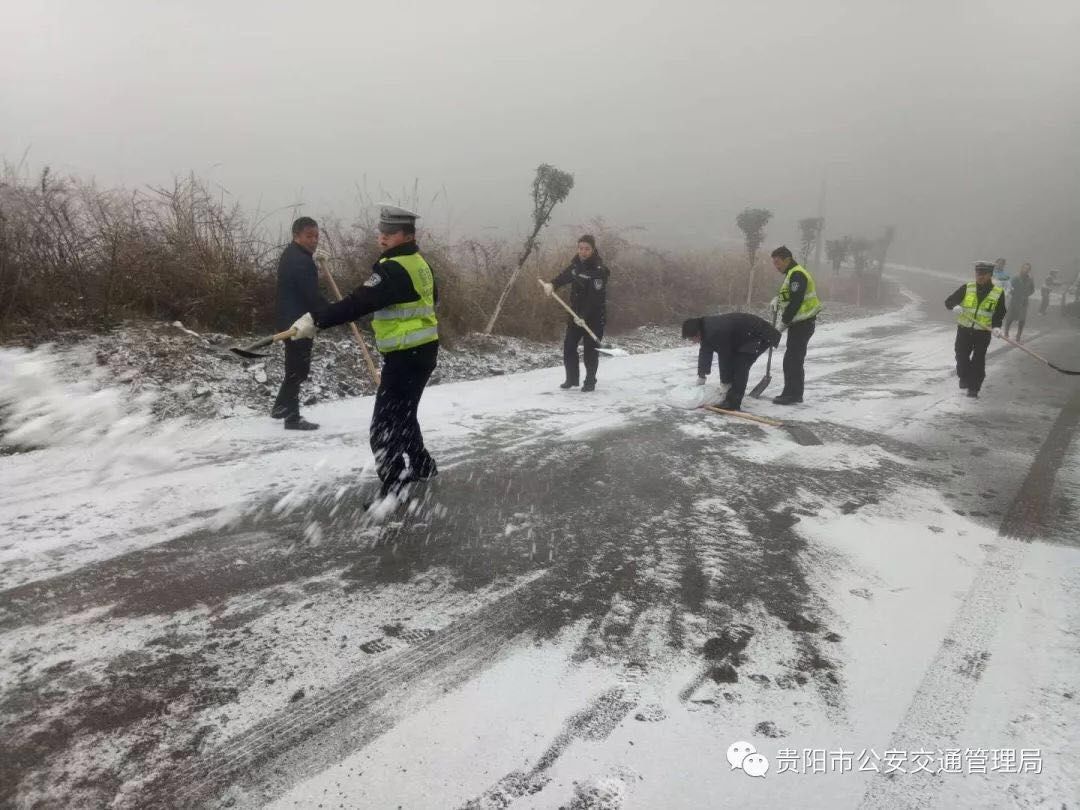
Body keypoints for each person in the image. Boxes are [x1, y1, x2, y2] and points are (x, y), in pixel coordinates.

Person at [290, 205, 439, 501]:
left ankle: (393, 488)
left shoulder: (393, 269)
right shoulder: (419, 262)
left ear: (407, 235)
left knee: (383, 426)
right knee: (404, 415)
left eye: (390, 233)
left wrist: (315, 321)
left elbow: (358, 302)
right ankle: (423, 465)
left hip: (405, 354)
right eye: (381, 232)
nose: (383, 238)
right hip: (423, 350)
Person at [272, 216, 329, 431]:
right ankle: (292, 418)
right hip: (297, 322)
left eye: (316, 236)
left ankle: (280, 407)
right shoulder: (301, 261)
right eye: (309, 236)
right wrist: (335, 311)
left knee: (295, 367)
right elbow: (311, 296)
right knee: (298, 369)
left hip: (289, 318)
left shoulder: (293, 254)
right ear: (296, 236)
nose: (314, 240)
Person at [540, 235, 610, 392]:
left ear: (593, 250)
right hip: (575, 314)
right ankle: (571, 379)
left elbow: (595, 299)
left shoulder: (598, 271)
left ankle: (590, 380)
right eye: (580, 248)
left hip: (594, 317)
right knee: (569, 346)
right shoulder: (576, 266)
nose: (583, 252)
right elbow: (563, 277)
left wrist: (584, 316)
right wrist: (552, 285)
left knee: (590, 351)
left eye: (587, 249)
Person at [682, 313, 781, 410]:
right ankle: (731, 396)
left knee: (740, 365)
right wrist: (701, 375)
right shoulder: (705, 330)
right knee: (735, 363)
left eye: (691, 339)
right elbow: (705, 352)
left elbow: (725, 357)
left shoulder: (715, 331)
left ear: (697, 333)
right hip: (743, 337)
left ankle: (733, 403)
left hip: (759, 335)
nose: (692, 342)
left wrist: (725, 383)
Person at [945, 261, 1007, 398]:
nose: (980, 277)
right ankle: (964, 376)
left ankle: (974, 388)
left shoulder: (998, 293)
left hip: (983, 332)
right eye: (978, 273)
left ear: (990, 275)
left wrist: (996, 327)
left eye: (983, 274)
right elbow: (949, 301)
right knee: (961, 356)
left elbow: (1000, 312)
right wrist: (954, 306)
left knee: (978, 360)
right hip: (964, 330)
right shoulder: (968, 287)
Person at [769, 245, 822, 405]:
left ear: (787, 259)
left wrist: (782, 323)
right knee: (793, 358)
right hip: (799, 323)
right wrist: (778, 300)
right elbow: (790, 296)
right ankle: (792, 393)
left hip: (803, 323)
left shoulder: (797, 274)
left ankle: (793, 394)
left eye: (778, 262)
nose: (776, 266)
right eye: (774, 263)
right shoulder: (792, 273)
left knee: (793, 359)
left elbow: (796, 302)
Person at [1004, 262, 1035, 340]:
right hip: (1015, 300)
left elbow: (1032, 289)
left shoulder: (1030, 279)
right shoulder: (1016, 278)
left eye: (1028, 269)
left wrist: (1027, 294)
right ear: (1021, 268)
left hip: (1024, 302)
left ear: (1029, 270)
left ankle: (1018, 335)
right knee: (1010, 317)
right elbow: (1009, 287)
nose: (1026, 270)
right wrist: (1013, 293)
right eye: (1024, 268)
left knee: (1022, 319)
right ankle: (1006, 332)